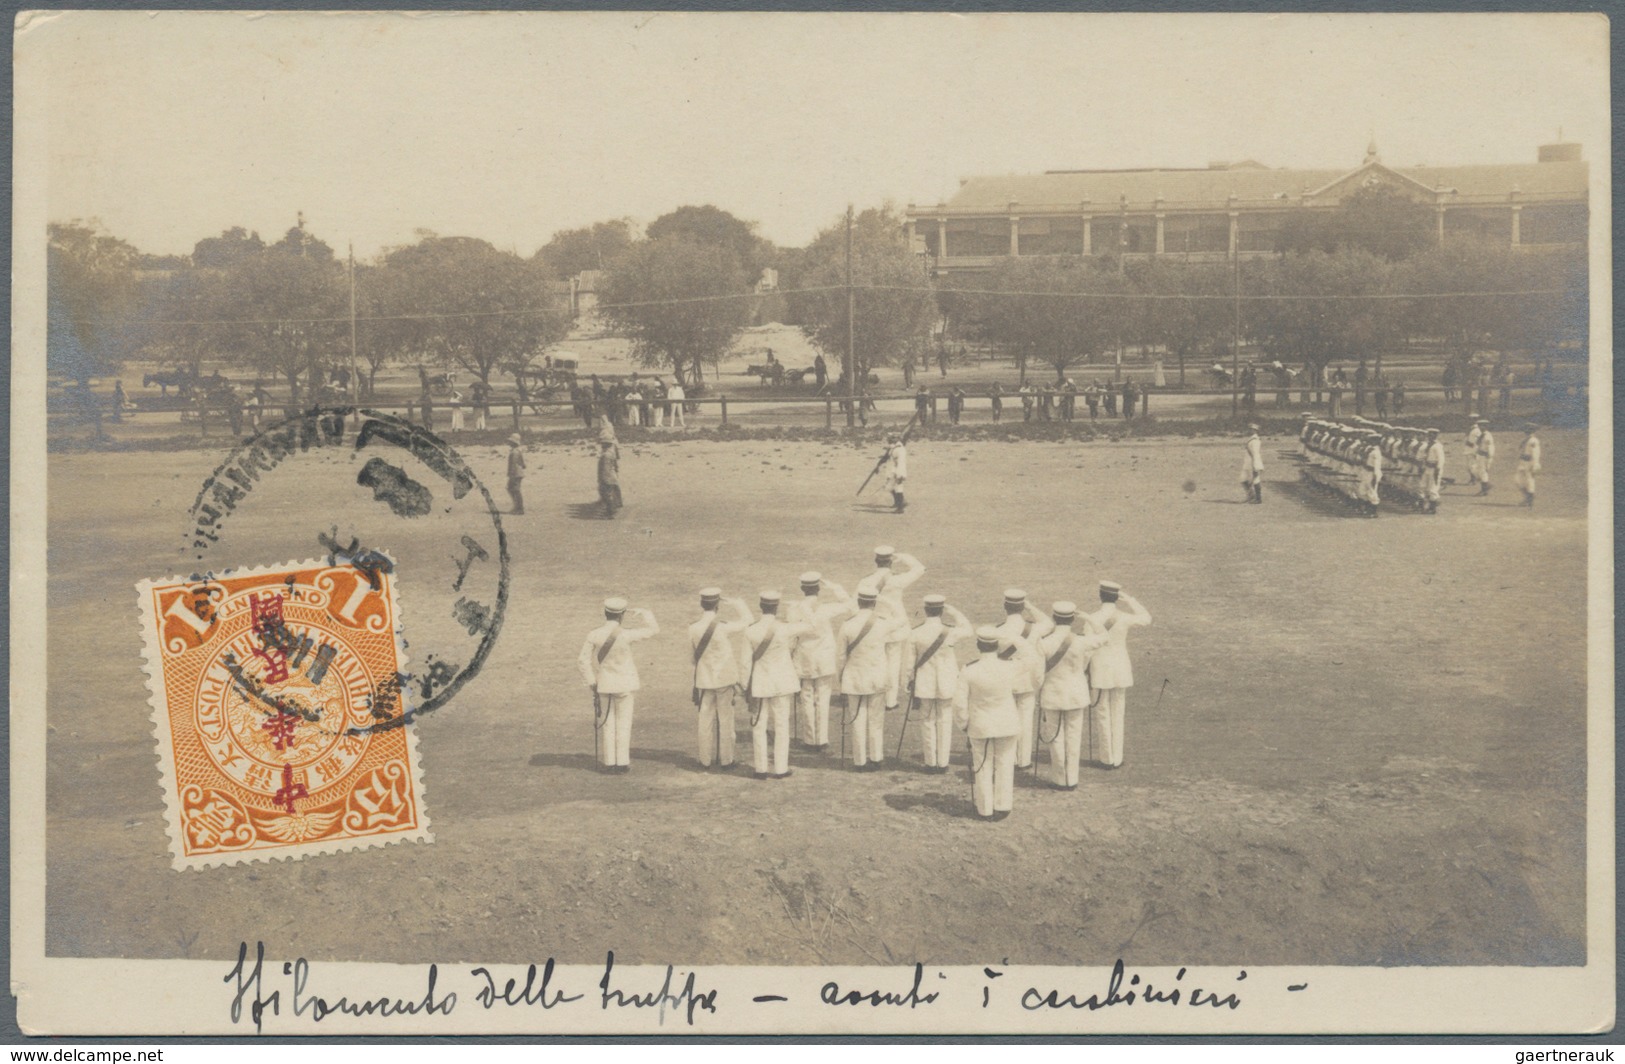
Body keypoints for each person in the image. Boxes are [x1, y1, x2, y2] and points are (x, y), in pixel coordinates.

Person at [577, 599, 659, 773]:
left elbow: (582, 660)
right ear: (621, 615)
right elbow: (653, 630)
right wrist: (645, 613)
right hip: (625, 685)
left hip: (604, 684)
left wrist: (591, 681)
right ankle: (622, 763)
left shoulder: (594, 634)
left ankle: (609, 763)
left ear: (605, 613)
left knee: (607, 723)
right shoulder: (626, 634)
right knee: (624, 724)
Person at [1037, 602, 1112, 789]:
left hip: (1052, 695)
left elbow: (1037, 673)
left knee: (1055, 737)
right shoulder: (1081, 641)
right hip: (1076, 694)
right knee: (1073, 737)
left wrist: (1039, 694)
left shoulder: (1044, 643)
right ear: (1072, 619)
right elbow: (1105, 636)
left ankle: (1059, 779)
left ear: (1055, 618)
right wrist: (1089, 618)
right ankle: (1072, 779)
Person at [835, 582, 905, 770]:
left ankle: (859, 761)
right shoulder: (883, 624)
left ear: (858, 602)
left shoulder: (847, 625)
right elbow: (902, 618)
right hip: (877, 678)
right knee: (876, 720)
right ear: (874, 603)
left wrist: (841, 678)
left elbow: (841, 657)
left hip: (854, 678)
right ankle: (876, 758)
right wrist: (887, 601)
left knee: (857, 720)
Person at [954, 626, 1022, 821]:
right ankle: (1003, 806)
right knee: (1005, 764)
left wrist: (964, 724)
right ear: (997, 645)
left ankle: (984, 809)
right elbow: (1033, 658)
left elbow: (959, 703)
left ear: (978, 645)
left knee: (982, 766)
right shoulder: (1010, 666)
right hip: (1006, 723)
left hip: (980, 725)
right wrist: (1013, 636)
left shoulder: (969, 669)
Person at [743, 591, 813, 780]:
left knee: (759, 725)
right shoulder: (785, 628)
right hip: (782, 682)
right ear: (776, 608)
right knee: (782, 725)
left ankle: (761, 769)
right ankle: (781, 768)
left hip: (760, 683)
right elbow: (810, 624)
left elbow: (744, 662)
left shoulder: (751, 630)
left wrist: (744, 687)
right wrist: (798, 607)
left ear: (761, 607)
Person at [1083, 581, 1150, 769]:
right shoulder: (1124, 617)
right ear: (1116, 598)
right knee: (1118, 713)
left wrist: (1084, 670)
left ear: (1100, 596)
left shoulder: (1092, 619)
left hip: (1100, 670)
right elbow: (1146, 618)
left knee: (1102, 713)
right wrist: (1130, 600)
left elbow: (1088, 649)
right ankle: (1117, 758)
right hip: (1121, 669)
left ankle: (1107, 759)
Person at [901, 594, 971, 773]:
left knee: (927, 722)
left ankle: (930, 763)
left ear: (925, 610)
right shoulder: (951, 631)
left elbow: (909, 663)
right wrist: (952, 611)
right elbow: (968, 629)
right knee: (944, 721)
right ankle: (943, 763)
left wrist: (908, 682)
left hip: (924, 684)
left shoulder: (916, 632)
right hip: (947, 683)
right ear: (941, 611)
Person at [788, 572, 853, 752]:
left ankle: (810, 740)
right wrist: (835, 587)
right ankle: (821, 739)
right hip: (824, 659)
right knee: (822, 699)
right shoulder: (826, 608)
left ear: (803, 589)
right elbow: (850, 605)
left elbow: (792, 635)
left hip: (804, 659)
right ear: (818, 589)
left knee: (807, 698)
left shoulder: (795, 608)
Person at [689, 588, 750, 770]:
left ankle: (704, 760)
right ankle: (726, 760)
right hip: (724, 680)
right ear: (717, 605)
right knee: (726, 720)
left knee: (704, 720)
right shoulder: (723, 626)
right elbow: (748, 621)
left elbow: (692, 658)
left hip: (705, 680)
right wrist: (738, 603)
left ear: (702, 604)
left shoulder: (693, 628)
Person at [994, 589, 1053, 773]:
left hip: (1007, 681)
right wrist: (1029, 606)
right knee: (1025, 721)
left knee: (1006, 720)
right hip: (1028, 681)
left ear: (1005, 606)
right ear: (1021, 607)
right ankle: (1024, 759)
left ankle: (1009, 758)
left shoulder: (998, 630)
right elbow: (1049, 623)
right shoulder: (1034, 628)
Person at [860, 546, 924, 712]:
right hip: (895, 626)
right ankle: (890, 700)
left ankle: (872, 694)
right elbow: (919, 568)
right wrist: (903, 556)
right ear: (890, 561)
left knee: (873, 660)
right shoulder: (897, 579)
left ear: (876, 561)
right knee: (893, 664)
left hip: (874, 626)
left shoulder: (866, 580)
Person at [1515, 424, 1542, 507]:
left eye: (1528, 429)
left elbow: (1535, 453)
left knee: (1529, 480)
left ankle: (1529, 500)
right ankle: (1528, 497)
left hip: (1530, 462)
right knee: (1517, 480)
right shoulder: (1526, 439)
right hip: (1523, 462)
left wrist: (1535, 464)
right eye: (1525, 429)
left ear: (1532, 430)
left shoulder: (1533, 441)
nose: (1526, 430)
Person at [1421, 427, 1445, 514]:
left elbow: (1441, 459)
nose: (1431, 436)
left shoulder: (1437, 446)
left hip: (1434, 468)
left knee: (1433, 488)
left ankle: (1433, 508)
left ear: (1436, 435)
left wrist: (1437, 469)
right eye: (1429, 434)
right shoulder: (1428, 445)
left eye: (1433, 434)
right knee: (1424, 487)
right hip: (1427, 467)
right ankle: (1428, 506)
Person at [883, 434, 908, 513]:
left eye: (892, 438)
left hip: (897, 471)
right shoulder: (893, 448)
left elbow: (901, 463)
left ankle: (900, 508)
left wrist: (900, 474)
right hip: (892, 470)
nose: (889, 440)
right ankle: (898, 502)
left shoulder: (900, 449)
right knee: (889, 487)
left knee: (898, 488)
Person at [1241, 423, 1264, 504]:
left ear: (1255, 430)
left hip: (1253, 463)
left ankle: (1258, 499)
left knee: (1254, 480)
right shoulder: (1252, 439)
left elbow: (1255, 454)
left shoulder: (1255, 441)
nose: (1249, 430)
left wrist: (1256, 466)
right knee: (1244, 480)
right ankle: (1251, 496)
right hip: (1248, 463)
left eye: (1251, 429)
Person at [1473, 420, 1495, 496]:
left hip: (1485, 456)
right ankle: (1487, 485)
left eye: (1483, 425)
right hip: (1480, 455)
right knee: (1477, 471)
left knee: (1483, 473)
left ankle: (1484, 489)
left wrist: (1488, 457)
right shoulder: (1482, 435)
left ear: (1486, 426)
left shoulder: (1487, 436)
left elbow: (1490, 447)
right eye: (1480, 425)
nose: (1481, 427)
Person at [505, 434, 526, 515]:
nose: (509, 443)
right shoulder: (518, 451)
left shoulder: (514, 452)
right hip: (518, 473)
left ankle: (519, 508)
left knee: (514, 490)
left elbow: (513, 464)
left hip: (515, 474)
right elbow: (523, 463)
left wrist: (511, 475)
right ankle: (517, 506)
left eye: (510, 441)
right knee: (512, 489)